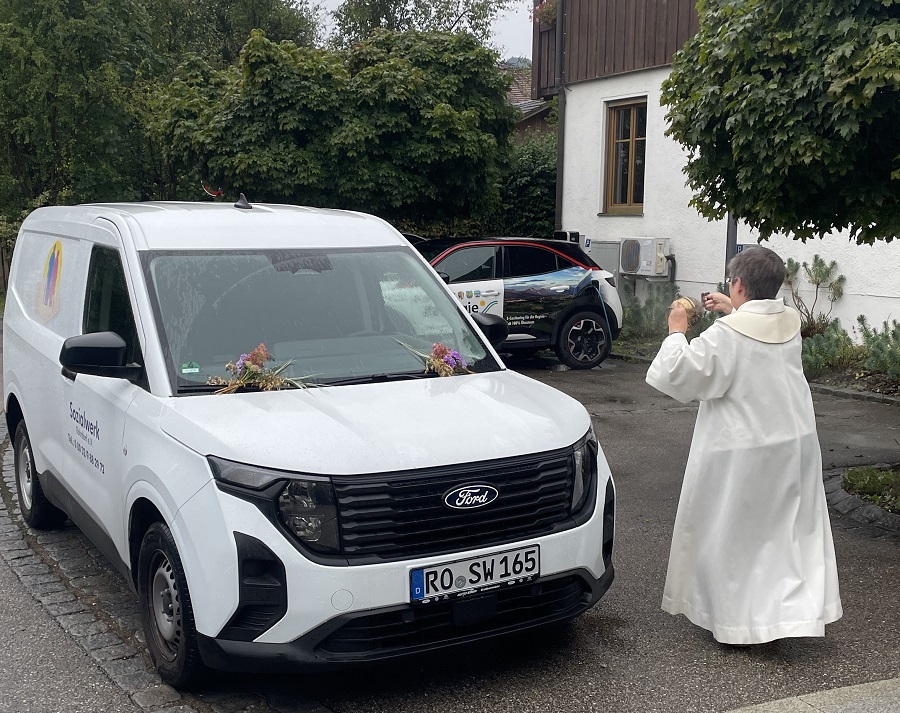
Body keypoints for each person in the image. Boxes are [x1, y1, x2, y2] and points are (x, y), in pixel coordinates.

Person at [646, 246, 842, 645]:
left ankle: (738, 624)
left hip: (743, 451)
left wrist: (676, 330)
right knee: (782, 537)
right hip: (792, 445)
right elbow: (755, 329)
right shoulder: (788, 321)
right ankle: (787, 615)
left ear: (737, 284)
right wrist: (731, 310)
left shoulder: (726, 336)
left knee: (737, 537)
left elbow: (677, 374)